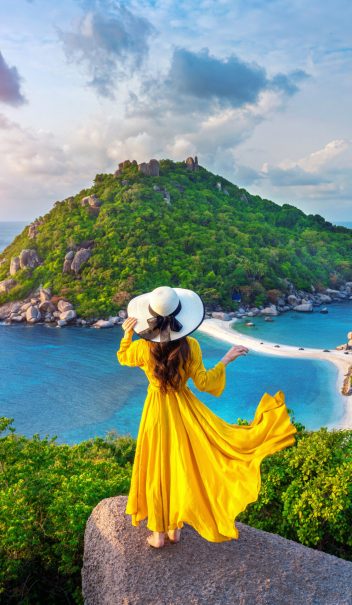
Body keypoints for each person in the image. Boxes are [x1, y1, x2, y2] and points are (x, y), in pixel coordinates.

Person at [117, 286, 297, 548]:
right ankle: (175, 528)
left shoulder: (143, 348)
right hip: (184, 410)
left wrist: (126, 334)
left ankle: (158, 533)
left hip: (156, 411)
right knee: (182, 465)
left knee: (158, 466)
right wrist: (225, 360)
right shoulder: (191, 346)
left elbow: (123, 357)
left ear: (151, 316)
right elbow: (203, 383)